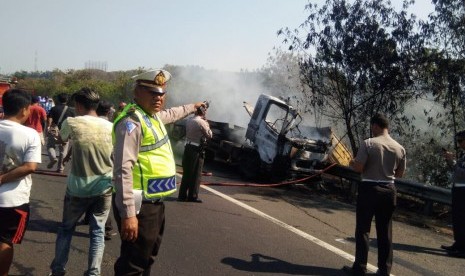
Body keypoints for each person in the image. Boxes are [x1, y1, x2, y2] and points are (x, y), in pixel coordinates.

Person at [112, 69, 206, 275]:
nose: (159, 98)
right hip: (139, 205)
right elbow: (122, 170)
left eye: (162, 93)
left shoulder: (151, 117)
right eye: (153, 93)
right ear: (137, 92)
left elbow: (173, 113)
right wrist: (128, 214)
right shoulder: (132, 123)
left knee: (147, 258)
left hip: (154, 203)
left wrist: (193, 106)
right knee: (133, 264)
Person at [49, 88, 114, 276]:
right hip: (104, 186)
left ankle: (58, 270)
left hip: (78, 188)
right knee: (97, 232)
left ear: (78, 105)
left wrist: (55, 135)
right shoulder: (111, 127)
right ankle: (93, 273)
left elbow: (62, 139)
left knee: (66, 229)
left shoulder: (72, 122)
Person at [343, 113, 406, 276]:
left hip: (369, 189)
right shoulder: (400, 148)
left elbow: (358, 168)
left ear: (375, 126)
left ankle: (360, 268)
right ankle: (384, 270)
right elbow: (399, 174)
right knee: (385, 232)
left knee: (363, 229)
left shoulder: (369, 143)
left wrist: (352, 162)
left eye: (372, 127)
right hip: (389, 190)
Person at [0, 89, 41, 275]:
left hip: (12, 200)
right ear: (24, 109)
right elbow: (30, 166)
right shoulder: (30, 134)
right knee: (4, 242)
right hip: (12, 200)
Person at [178, 104, 212, 203]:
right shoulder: (201, 122)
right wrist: (207, 122)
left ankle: (182, 195)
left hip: (188, 147)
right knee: (196, 174)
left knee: (187, 173)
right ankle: (192, 196)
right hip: (196, 149)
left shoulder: (189, 120)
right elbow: (209, 135)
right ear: (203, 112)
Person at [441, 130, 465, 258]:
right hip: (458, 189)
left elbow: (462, 173)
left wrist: (453, 162)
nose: (459, 143)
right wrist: (450, 161)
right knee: (457, 218)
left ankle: (463, 248)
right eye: (458, 141)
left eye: (461, 141)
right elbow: (457, 170)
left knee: (462, 219)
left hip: (463, 190)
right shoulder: (463, 155)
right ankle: (458, 243)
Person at [46, 93, 75, 173]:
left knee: (50, 146)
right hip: (65, 131)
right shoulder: (71, 110)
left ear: (58, 99)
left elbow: (49, 119)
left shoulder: (54, 109)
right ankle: (60, 168)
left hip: (54, 129)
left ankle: (53, 158)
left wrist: (48, 127)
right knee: (63, 150)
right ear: (67, 100)